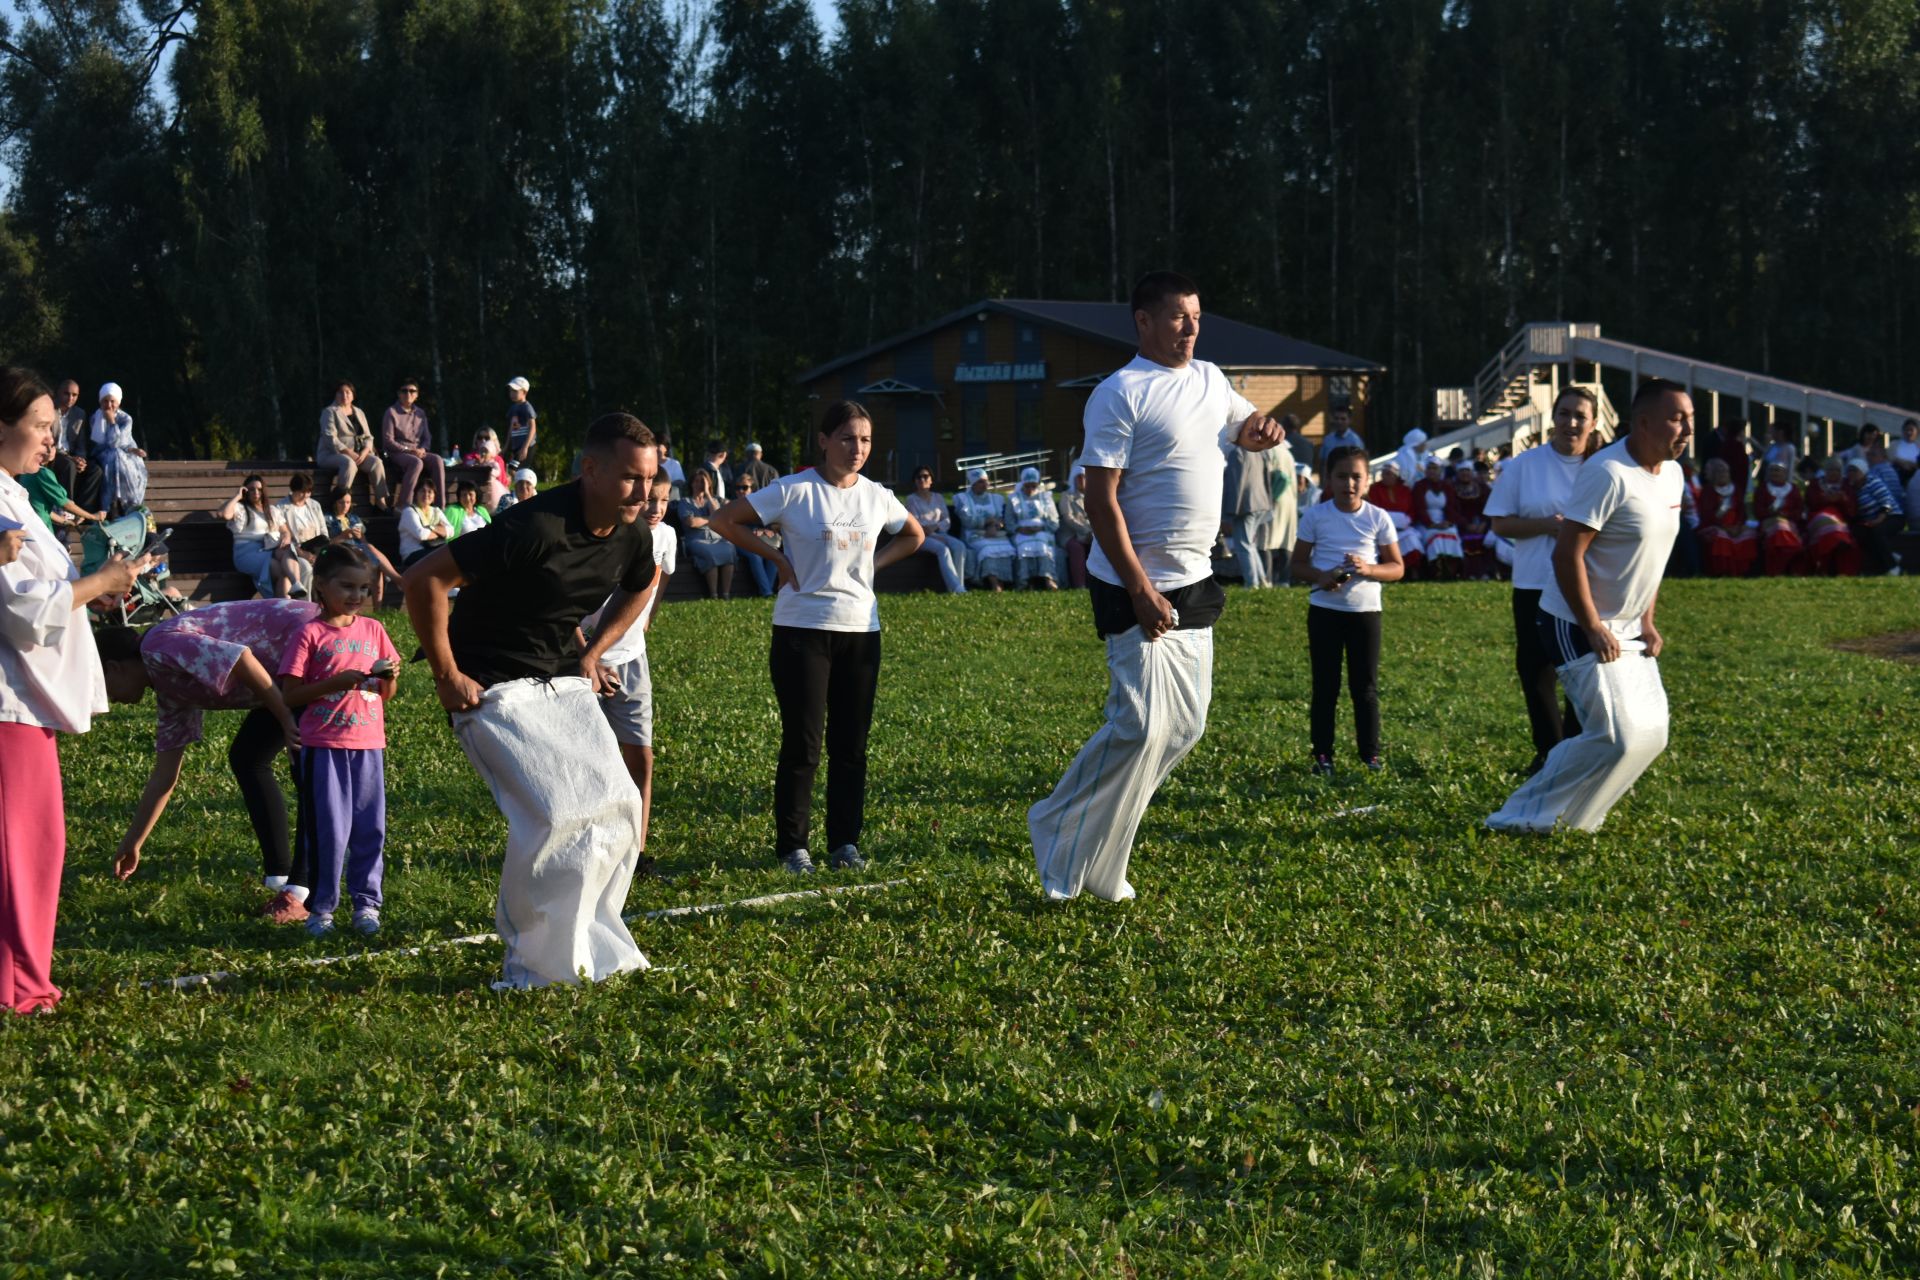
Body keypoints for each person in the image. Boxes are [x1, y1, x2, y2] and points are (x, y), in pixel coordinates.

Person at [1027, 271, 1287, 902]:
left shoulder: (1209, 377)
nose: (1191, 328)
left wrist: (1260, 431)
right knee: (1142, 725)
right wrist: (1141, 588)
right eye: (1177, 317)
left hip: (1195, 577)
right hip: (1131, 582)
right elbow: (1100, 499)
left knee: (1184, 728)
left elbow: (1240, 425)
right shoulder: (1119, 393)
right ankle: (1057, 833)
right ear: (1143, 321)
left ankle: (1104, 862)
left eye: (1196, 316)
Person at [404, 411, 660, 991]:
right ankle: (536, 969)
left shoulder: (632, 531)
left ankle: (600, 947)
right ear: (590, 470)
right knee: (556, 815)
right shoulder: (535, 526)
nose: (644, 494)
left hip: (562, 678)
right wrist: (447, 676)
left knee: (619, 804)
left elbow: (644, 580)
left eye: (649, 480)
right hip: (491, 685)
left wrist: (593, 652)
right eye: (629, 479)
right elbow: (424, 580)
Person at [709, 400, 924, 875]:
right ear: (824, 441)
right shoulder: (793, 490)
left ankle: (844, 843)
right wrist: (779, 560)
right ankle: (793, 848)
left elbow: (913, 536)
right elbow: (724, 521)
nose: (857, 448)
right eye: (847, 438)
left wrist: (874, 565)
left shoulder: (876, 495)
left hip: (860, 631)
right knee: (803, 745)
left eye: (865, 439)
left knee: (851, 746)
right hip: (802, 631)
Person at [0, 368, 147, 1012]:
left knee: (36, 846)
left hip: (26, 702)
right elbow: (23, 613)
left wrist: (106, 586)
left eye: (52, 428)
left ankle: (21, 984)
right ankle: (21, 989)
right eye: (39, 426)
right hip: (8, 701)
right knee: (24, 852)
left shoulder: (14, 496)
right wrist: (100, 581)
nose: (50, 443)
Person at [1487, 378, 1692, 834]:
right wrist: (1593, 625)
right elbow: (1566, 553)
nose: (1687, 429)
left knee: (1650, 735)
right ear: (1642, 423)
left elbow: (1651, 556)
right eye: (1677, 419)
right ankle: (1516, 816)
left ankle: (1579, 819)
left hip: (1628, 624)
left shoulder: (1673, 475)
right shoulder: (1608, 472)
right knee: (1614, 735)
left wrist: (1648, 619)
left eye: (1689, 419)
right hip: (1572, 620)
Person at [96, 600, 312, 918]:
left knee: (307, 771)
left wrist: (283, 716)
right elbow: (164, 776)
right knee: (248, 757)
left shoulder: (158, 646)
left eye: (103, 687)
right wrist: (133, 842)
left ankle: (301, 891)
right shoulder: (168, 691)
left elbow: (240, 658)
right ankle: (279, 877)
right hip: (280, 678)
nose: (108, 699)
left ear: (113, 667)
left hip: (309, 645)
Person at [277, 545, 400, 938]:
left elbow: (386, 693)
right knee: (330, 830)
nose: (356, 596)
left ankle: (367, 904)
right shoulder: (309, 633)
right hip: (324, 746)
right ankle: (322, 909)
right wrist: (334, 683)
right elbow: (289, 695)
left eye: (363, 588)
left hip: (368, 745)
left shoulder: (374, 631)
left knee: (370, 829)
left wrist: (389, 676)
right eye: (346, 586)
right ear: (321, 586)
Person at [1486, 387, 1595, 773]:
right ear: (1553, 418)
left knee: (1583, 669)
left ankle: (1575, 750)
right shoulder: (1524, 466)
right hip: (1533, 581)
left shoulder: (1601, 468)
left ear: (1593, 423)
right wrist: (1547, 526)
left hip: (1585, 584)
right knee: (1536, 669)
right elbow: (1500, 522)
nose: (1571, 423)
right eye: (1564, 413)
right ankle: (1549, 751)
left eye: (1580, 415)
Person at [581, 473, 677, 865]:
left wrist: (650, 613)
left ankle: (636, 851)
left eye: (663, 500)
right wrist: (586, 652)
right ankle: (590, 846)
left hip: (632, 659)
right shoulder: (607, 534)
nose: (654, 507)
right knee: (590, 758)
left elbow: (662, 573)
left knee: (641, 755)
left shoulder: (666, 536)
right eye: (649, 499)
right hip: (587, 658)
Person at [1292, 446, 1403, 775]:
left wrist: (1368, 569)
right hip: (1325, 610)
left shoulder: (1377, 517)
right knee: (1325, 686)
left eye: (1357, 477)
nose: (1349, 484)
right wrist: (1321, 577)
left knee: (1365, 687)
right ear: (1328, 479)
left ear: (1368, 481)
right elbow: (1297, 565)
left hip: (1366, 612)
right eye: (1342, 476)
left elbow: (1396, 568)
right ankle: (1322, 755)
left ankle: (1370, 755)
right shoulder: (1315, 515)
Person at [219, 475, 302, 599]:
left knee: (286, 551)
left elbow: (286, 531)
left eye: (259, 489)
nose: (256, 492)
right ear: (245, 491)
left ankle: (296, 585)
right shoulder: (240, 508)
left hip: (269, 547)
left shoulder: (271, 510)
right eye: (251, 489)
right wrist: (238, 496)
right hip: (247, 553)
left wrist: (285, 537)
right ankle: (283, 608)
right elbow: (224, 514)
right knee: (280, 570)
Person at [316, 382, 388, 509]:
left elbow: (368, 436)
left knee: (376, 462)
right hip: (331, 454)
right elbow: (330, 438)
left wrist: (365, 450)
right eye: (340, 392)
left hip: (359, 454)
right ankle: (340, 502)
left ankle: (380, 502)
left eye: (348, 392)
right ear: (335, 395)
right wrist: (349, 452)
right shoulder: (329, 412)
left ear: (353, 396)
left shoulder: (359, 412)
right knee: (349, 463)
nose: (344, 395)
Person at [381, 377, 445, 513]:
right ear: (399, 394)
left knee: (438, 460)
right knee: (416, 463)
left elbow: (427, 438)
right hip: (397, 452)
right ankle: (403, 506)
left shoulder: (421, 413)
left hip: (418, 451)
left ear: (417, 395)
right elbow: (388, 441)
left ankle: (440, 506)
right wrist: (409, 450)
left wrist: (422, 449)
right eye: (404, 391)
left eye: (412, 391)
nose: (408, 394)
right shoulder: (391, 412)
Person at [325, 489, 404, 598]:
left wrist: (360, 537)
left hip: (359, 551)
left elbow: (364, 542)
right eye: (341, 502)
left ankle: (378, 612)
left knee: (375, 564)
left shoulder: (354, 518)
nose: (345, 506)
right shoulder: (327, 519)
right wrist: (342, 537)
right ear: (334, 503)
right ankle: (398, 579)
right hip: (341, 552)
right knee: (373, 557)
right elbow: (327, 546)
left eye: (348, 502)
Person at [903, 466, 968, 594]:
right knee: (942, 549)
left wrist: (936, 527)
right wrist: (930, 530)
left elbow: (946, 519)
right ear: (915, 481)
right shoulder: (911, 499)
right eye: (919, 477)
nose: (922, 479)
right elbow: (916, 524)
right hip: (921, 538)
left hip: (940, 533)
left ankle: (958, 585)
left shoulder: (938, 497)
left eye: (925, 476)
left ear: (931, 480)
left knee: (959, 546)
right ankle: (956, 589)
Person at [1221, 439, 1273, 588]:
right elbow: (1266, 478)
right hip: (1260, 502)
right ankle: (1262, 580)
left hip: (1245, 505)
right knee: (1250, 544)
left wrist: (1229, 512)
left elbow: (1236, 484)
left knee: (1243, 545)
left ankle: (1252, 583)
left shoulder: (1236, 453)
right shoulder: (1259, 451)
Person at [89, 382, 148, 515]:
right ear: (100, 402)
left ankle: (124, 503)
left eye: (112, 401)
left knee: (116, 456)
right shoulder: (95, 418)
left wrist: (112, 422)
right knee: (114, 456)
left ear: (118, 402)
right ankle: (111, 505)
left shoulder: (126, 419)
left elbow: (117, 443)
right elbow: (102, 444)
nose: (109, 405)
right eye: (105, 401)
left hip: (124, 455)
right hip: (101, 454)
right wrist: (110, 421)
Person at [678, 467, 736, 599]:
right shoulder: (685, 502)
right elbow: (691, 522)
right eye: (696, 481)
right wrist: (711, 520)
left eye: (702, 482)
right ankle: (713, 594)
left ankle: (726, 594)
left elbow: (719, 516)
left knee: (730, 549)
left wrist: (708, 494)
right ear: (691, 483)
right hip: (696, 539)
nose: (699, 484)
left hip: (716, 538)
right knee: (709, 553)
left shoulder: (713, 500)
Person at [1695, 457, 1758, 577]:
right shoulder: (1708, 491)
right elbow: (1707, 515)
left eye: (1725, 471)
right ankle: (1722, 571)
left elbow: (1741, 512)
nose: (1723, 474)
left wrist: (1738, 526)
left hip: (1735, 526)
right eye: (1719, 471)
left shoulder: (1736, 489)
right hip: (1715, 525)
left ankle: (1744, 571)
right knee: (1721, 538)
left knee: (1750, 535)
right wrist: (1725, 527)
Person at [954, 469, 1015, 590]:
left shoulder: (995, 499)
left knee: (1007, 548)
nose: (985, 485)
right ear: (973, 483)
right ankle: (993, 583)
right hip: (973, 534)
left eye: (986, 481)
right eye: (981, 482)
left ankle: (1002, 580)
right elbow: (967, 521)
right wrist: (988, 522)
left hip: (994, 533)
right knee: (987, 549)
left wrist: (994, 526)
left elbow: (1001, 520)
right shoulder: (963, 499)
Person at [1804, 458, 1861, 576]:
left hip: (1840, 519)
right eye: (1831, 470)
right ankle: (1825, 565)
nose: (1834, 473)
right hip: (1819, 516)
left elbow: (1852, 509)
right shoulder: (1815, 484)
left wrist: (1842, 499)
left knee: (1838, 532)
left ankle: (1840, 565)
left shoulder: (1846, 485)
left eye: (1837, 470)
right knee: (1828, 527)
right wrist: (1826, 499)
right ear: (1825, 471)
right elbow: (1811, 502)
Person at [1366, 462, 1423, 580]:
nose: (1385, 476)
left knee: (1412, 540)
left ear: (1395, 475)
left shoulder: (1405, 490)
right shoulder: (1375, 488)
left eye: (1388, 474)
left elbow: (1412, 510)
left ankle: (1412, 573)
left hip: (1403, 528)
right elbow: (1374, 509)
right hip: (1383, 528)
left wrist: (1406, 521)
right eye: (1384, 473)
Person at [731, 471, 784, 596]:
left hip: (760, 540)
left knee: (773, 556)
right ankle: (766, 592)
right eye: (738, 488)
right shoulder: (731, 506)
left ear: (752, 489)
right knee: (755, 557)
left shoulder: (760, 505)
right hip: (739, 541)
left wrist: (766, 529)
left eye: (744, 487)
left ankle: (767, 590)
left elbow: (774, 524)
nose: (741, 491)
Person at [1847, 457, 1903, 575]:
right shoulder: (1853, 489)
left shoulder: (1873, 482)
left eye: (1854, 470)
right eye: (1849, 470)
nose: (1851, 474)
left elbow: (1887, 501)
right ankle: (1889, 557)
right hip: (1871, 521)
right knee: (1859, 533)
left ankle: (1893, 568)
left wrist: (1880, 518)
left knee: (1878, 531)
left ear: (1863, 472)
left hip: (1892, 517)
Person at [1263, 417, 1302, 585]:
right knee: (1286, 540)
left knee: (1267, 542)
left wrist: (1269, 500)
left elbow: (1280, 478)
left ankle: (1268, 579)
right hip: (1289, 501)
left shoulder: (1269, 450)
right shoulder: (1286, 451)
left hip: (1276, 499)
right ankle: (1284, 580)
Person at [1751, 460, 1806, 576]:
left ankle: (1789, 566)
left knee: (1783, 530)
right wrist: (1770, 512)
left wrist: (1786, 515)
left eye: (1778, 471)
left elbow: (1799, 510)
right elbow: (1757, 511)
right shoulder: (1762, 489)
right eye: (1772, 471)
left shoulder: (1793, 489)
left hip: (1790, 522)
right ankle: (1775, 569)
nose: (1775, 473)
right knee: (1778, 531)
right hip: (1768, 521)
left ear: (1785, 474)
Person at [1009, 466, 1060, 589]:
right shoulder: (1014, 498)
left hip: (1042, 529)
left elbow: (1053, 519)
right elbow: (1009, 521)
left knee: (1042, 544)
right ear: (1022, 484)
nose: (1030, 489)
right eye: (1027, 486)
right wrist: (1019, 529)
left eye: (1033, 486)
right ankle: (1025, 580)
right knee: (1024, 546)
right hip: (1021, 531)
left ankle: (1048, 578)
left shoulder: (1045, 498)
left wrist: (1042, 528)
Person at [1413, 457, 1463, 577]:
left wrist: (1448, 522)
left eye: (1435, 468)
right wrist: (1431, 524)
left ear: (1440, 470)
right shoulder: (1420, 486)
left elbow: (1452, 507)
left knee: (1452, 533)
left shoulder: (1447, 486)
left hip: (1444, 521)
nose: (1432, 471)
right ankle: (1436, 569)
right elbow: (1419, 508)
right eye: (1429, 468)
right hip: (1425, 523)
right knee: (1434, 535)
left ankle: (1451, 569)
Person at [49, 378, 92, 505]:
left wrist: (81, 459)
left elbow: (81, 443)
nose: (70, 398)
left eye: (74, 395)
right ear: (58, 392)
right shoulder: (49, 410)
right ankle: (66, 507)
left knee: (96, 471)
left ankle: (85, 512)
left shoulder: (80, 414)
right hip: (52, 454)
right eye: (66, 393)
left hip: (71, 455)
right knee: (69, 465)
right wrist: (72, 459)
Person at [1452, 460, 1495, 579]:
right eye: (1462, 471)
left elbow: (1490, 507)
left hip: (1482, 525)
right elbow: (1451, 510)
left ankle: (1485, 573)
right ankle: (1468, 573)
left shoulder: (1483, 488)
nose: (1465, 473)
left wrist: (1484, 523)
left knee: (1487, 541)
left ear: (1472, 473)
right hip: (1462, 526)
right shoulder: (1452, 489)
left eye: (1467, 470)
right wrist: (1465, 524)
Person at [397, 480, 452, 568]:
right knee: (443, 558)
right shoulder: (408, 512)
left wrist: (431, 528)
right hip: (412, 553)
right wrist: (440, 531)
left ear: (434, 496)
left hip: (433, 550)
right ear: (416, 494)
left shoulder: (436, 511)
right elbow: (421, 534)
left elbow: (450, 531)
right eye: (422, 491)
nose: (426, 494)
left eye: (430, 492)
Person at [1056, 465, 1093, 588]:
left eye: (1084, 477)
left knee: (1099, 546)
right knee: (1076, 548)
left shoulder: (1093, 495)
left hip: (1090, 533)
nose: (1081, 480)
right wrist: (1086, 530)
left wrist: (1091, 533)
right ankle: (1080, 584)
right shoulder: (1066, 496)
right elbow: (1068, 518)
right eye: (1079, 478)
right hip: (1069, 534)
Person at [466, 427, 511, 508]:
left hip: (493, 492)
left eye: (487, 438)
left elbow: (502, 481)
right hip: (474, 490)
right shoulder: (470, 457)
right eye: (480, 437)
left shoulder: (497, 460)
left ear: (493, 440)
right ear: (475, 440)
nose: (483, 440)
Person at [505, 376, 537, 464]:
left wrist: (525, 447)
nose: (512, 394)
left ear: (524, 392)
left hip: (527, 446)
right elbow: (511, 429)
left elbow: (533, 428)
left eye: (515, 391)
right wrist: (506, 447)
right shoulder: (513, 408)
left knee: (519, 472)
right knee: (512, 471)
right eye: (511, 391)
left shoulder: (527, 408)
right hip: (516, 446)